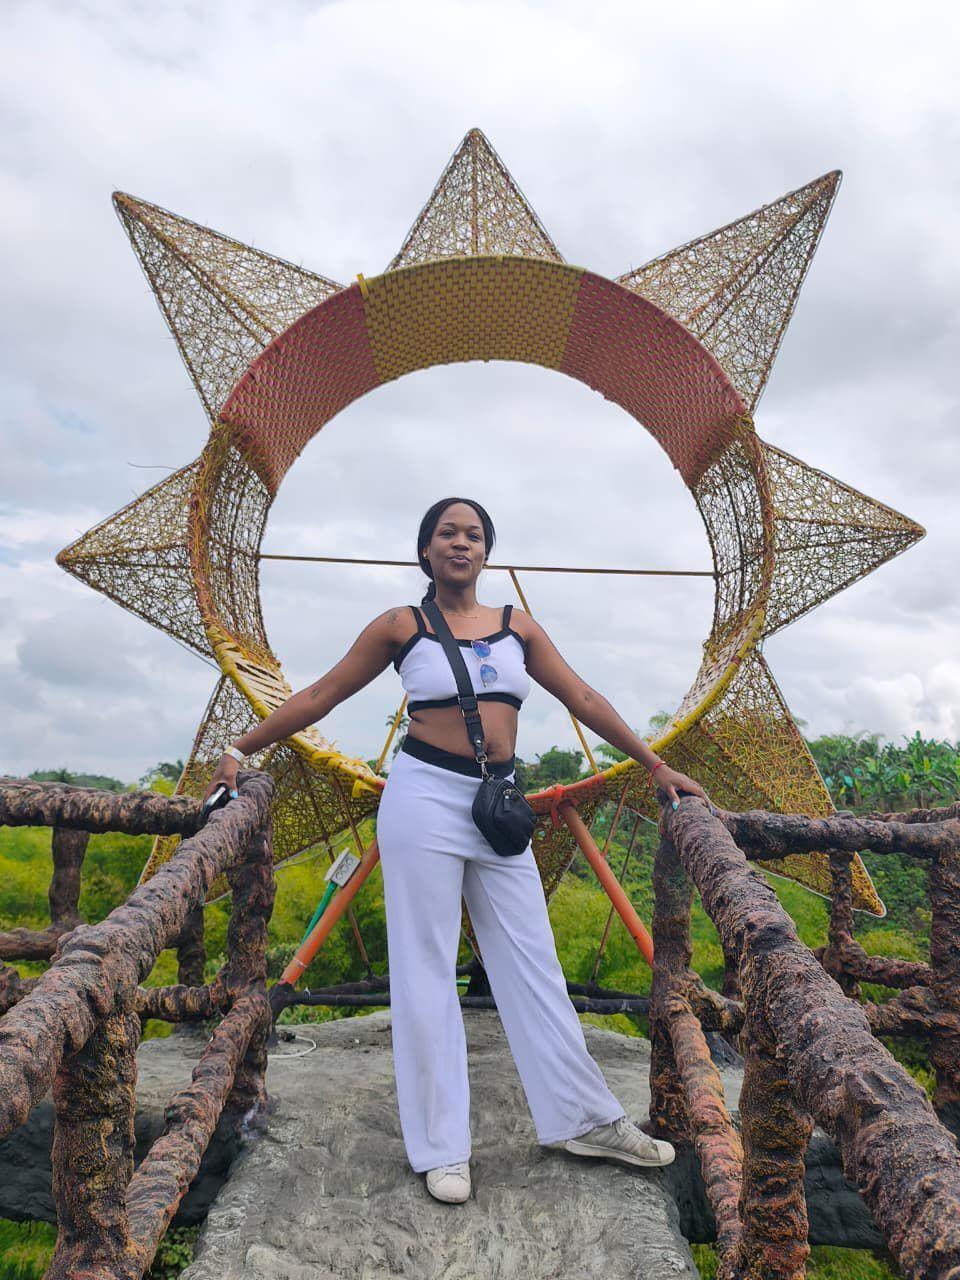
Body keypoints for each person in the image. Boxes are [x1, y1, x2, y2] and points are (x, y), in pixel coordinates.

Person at [203, 497, 710, 1205]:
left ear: (486, 551)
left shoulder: (517, 626)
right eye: (447, 533)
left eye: (473, 534)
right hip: (423, 798)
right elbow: (320, 695)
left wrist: (655, 765)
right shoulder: (399, 626)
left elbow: (584, 697)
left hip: (496, 803)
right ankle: (441, 1148)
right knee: (426, 967)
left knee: (533, 961)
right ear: (426, 549)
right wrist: (239, 746)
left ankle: (585, 1120)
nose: (460, 543)